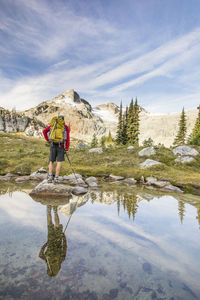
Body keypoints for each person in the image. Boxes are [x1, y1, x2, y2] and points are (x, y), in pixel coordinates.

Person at [39, 205, 67, 277]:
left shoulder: (61, 260)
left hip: (57, 239)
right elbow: (40, 255)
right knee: (50, 224)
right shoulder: (47, 260)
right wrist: (46, 244)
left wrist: (64, 237)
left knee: (54, 225)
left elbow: (65, 247)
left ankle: (54, 210)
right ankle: (50, 210)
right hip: (51, 240)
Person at [43, 115, 70, 183]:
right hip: (61, 145)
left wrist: (48, 140)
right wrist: (66, 148)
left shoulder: (53, 125)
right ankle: (56, 178)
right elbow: (68, 138)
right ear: (63, 120)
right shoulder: (65, 127)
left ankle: (50, 177)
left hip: (52, 145)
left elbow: (44, 131)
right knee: (59, 162)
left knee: (51, 161)